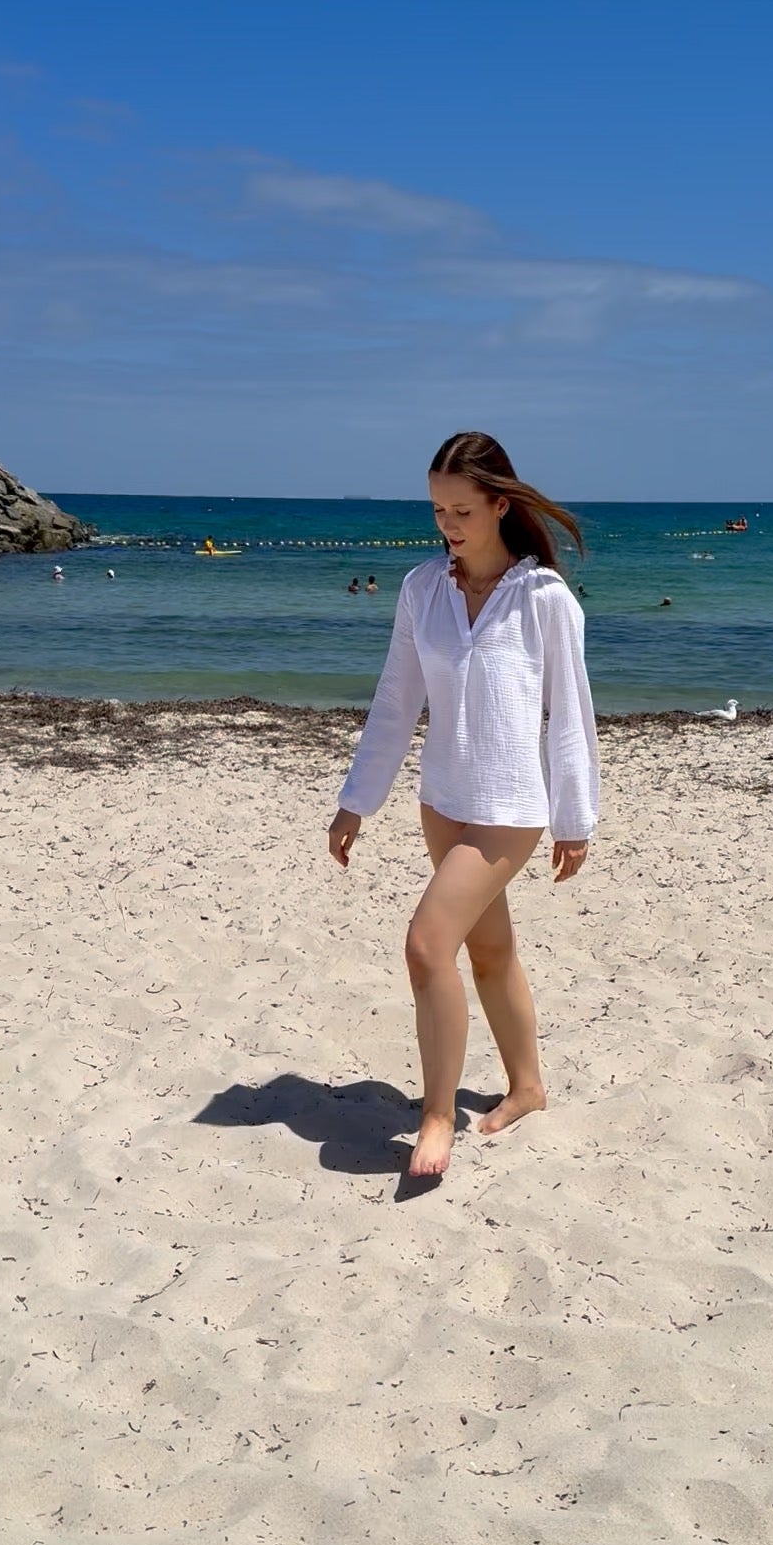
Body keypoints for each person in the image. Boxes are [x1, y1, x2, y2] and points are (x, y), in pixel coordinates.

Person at [329, 431, 599, 1180]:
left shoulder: (544, 599)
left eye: (461, 510)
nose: (447, 523)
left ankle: (437, 1114)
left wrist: (576, 818)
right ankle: (529, 1087)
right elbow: (395, 702)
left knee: (425, 944)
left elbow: (571, 713)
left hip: (510, 807)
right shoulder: (423, 589)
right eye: (437, 509)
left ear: (499, 505)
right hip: (442, 801)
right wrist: (358, 801)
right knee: (490, 951)